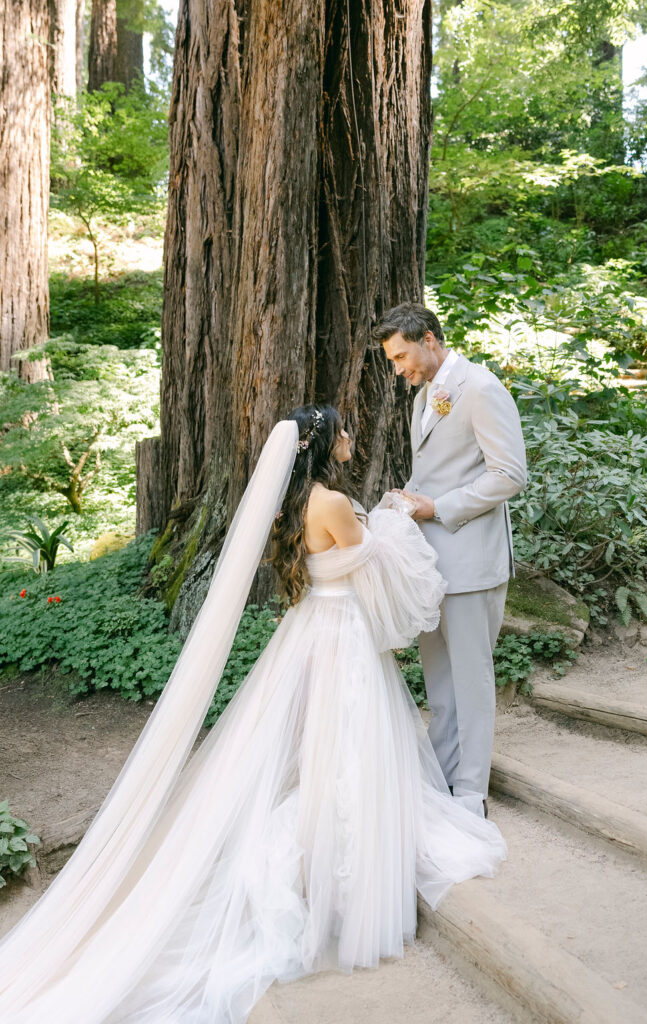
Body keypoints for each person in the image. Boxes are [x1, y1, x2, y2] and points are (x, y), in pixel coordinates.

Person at [0, 406, 506, 1024]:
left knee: (320, 739)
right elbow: (381, 566)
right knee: (348, 744)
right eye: (345, 431)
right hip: (340, 632)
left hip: (307, 628)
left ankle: (325, 851)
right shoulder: (335, 506)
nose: (352, 438)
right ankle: (342, 875)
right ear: (326, 446)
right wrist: (398, 518)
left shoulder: (289, 504)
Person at [376, 304, 527, 819]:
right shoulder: (427, 393)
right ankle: (440, 785)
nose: (398, 369)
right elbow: (438, 471)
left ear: (431, 339)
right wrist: (411, 499)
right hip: (432, 566)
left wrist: (437, 507)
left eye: (401, 356)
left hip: (473, 563)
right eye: (393, 360)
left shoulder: (481, 389)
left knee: (471, 681)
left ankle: (470, 795)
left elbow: (509, 474)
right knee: (440, 683)